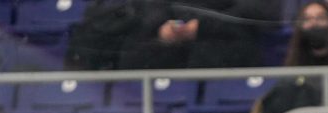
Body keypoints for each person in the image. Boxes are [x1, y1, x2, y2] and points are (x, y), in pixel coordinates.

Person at [117, 0, 282, 70]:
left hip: (228, 53)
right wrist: (161, 27)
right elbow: (150, 8)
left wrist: (202, 27)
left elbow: (258, 12)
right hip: (168, 56)